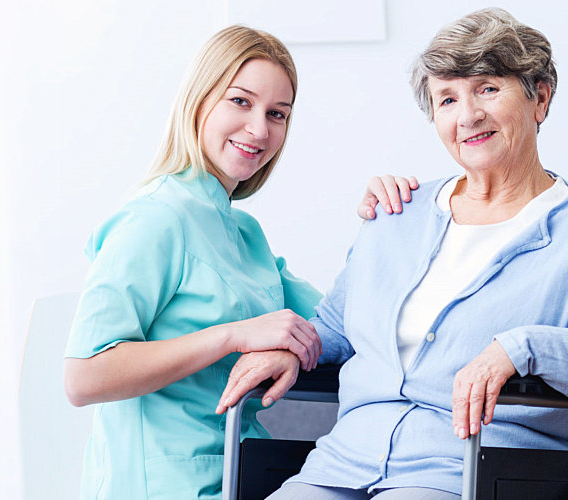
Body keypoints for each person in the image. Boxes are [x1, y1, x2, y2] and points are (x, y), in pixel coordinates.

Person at [218, 9, 568, 500]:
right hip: (341, 465)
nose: (467, 116)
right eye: (447, 98)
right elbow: (338, 328)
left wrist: (524, 348)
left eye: (487, 88)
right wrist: (288, 343)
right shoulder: (398, 213)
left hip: (475, 475)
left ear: (540, 98)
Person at [61, 25, 414, 499]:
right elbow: (84, 377)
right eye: (241, 102)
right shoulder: (154, 219)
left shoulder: (245, 234)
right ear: (200, 100)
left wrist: (388, 221)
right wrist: (232, 336)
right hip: (162, 484)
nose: (259, 129)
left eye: (277, 113)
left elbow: (342, 323)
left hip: (244, 472)